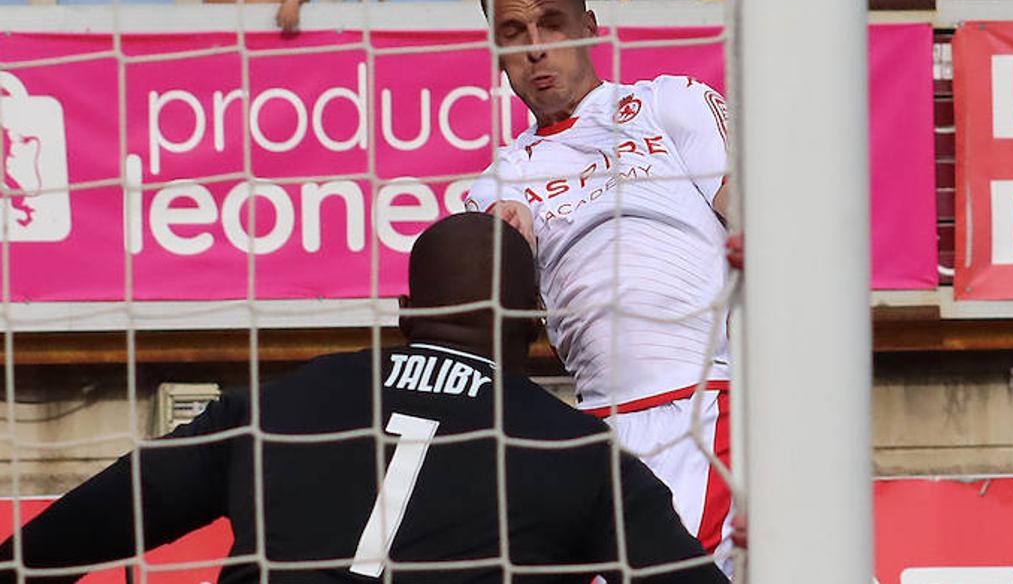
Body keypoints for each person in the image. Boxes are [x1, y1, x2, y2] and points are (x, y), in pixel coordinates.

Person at [0, 213, 724, 584]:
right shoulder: (577, 454)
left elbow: (73, 534)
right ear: (531, 326)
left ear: (405, 314)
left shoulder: (278, 407)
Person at [467, 0, 734, 574]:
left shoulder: (669, 104)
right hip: (596, 435)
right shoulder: (498, 182)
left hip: (705, 403)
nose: (535, 48)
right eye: (514, 32)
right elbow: (497, 338)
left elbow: (767, 229)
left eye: (551, 24)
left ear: (589, 27)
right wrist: (506, 261)